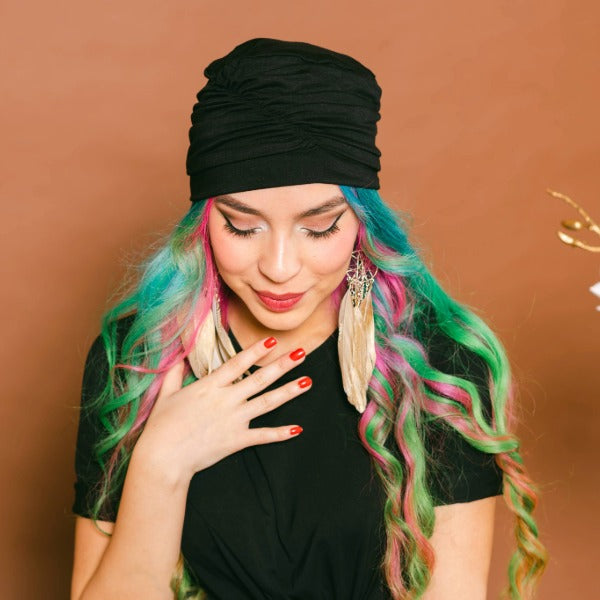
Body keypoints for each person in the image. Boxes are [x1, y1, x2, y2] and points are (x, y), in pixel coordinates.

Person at [70, 38, 547, 600]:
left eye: (319, 228)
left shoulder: (439, 368)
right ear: (203, 224)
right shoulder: (138, 358)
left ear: (362, 223)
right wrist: (160, 463)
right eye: (242, 226)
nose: (279, 268)